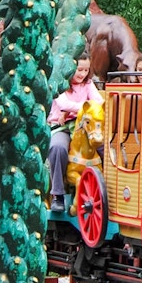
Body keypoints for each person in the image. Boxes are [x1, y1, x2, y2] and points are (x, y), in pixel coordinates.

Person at [47, 51, 104, 212]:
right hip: (62, 127)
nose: (82, 74)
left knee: (105, 148)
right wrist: (86, 107)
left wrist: (81, 110)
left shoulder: (88, 84)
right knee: (57, 148)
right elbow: (64, 103)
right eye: (79, 70)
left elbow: (98, 102)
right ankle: (58, 194)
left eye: (86, 70)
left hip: (86, 126)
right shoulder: (59, 84)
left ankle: (107, 191)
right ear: (70, 67)